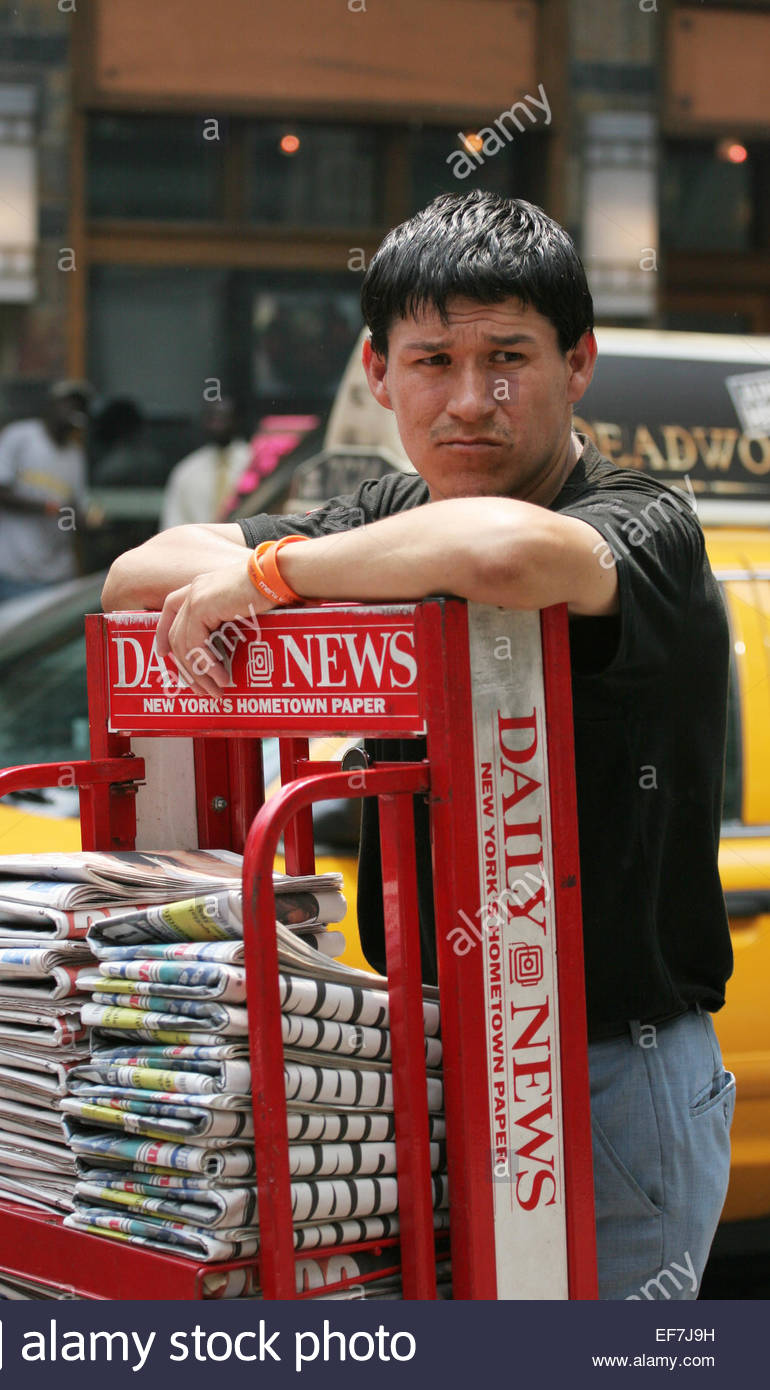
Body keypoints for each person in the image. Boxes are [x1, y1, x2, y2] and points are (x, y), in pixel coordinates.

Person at [102, 192, 735, 1301]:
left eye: (509, 357)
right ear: (377, 371)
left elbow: (498, 555)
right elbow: (139, 572)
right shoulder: (389, 510)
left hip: (601, 1072)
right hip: (426, 1056)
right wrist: (297, 560)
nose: (469, 400)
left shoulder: (643, 518)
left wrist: (269, 576)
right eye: (431, 359)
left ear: (578, 363)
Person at [0, 381, 92, 606]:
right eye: (67, 404)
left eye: (79, 407)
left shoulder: (75, 455)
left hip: (58, 576)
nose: (72, 411)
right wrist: (43, 507)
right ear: (51, 405)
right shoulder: (19, 436)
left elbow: (75, 507)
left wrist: (85, 521)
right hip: (12, 573)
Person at [159, 399, 250, 530]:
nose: (218, 424)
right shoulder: (187, 471)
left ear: (238, 420)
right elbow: (172, 523)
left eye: (224, 418)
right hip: (197, 547)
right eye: (212, 418)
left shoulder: (258, 464)